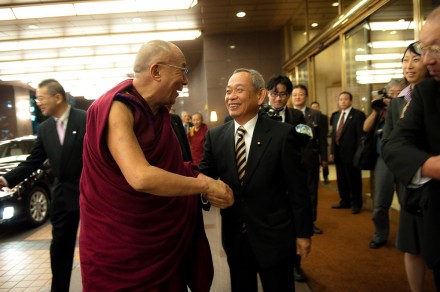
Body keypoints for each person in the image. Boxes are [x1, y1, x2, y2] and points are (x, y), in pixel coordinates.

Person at [79, 40, 234, 291]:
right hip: (120, 247)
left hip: (162, 245)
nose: (185, 81)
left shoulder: (161, 114)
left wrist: (196, 174)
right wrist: (203, 184)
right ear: (156, 71)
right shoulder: (116, 108)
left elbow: (172, 167)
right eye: (182, 71)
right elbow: (141, 177)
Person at [199, 68, 313, 292]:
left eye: (239, 90)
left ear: (260, 96)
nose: (231, 96)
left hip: (275, 238)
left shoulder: (282, 135)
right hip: (235, 238)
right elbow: (204, 176)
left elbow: (298, 189)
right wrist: (207, 192)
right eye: (228, 91)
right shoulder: (216, 137)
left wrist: (303, 233)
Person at [0, 79, 86, 292]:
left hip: (89, 197)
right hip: (63, 199)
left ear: (57, 97)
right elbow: (33, 160)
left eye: (40, 98)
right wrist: (6, 179)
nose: (38, 103)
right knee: (59, 251)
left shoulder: (85, 120)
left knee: (96, 249)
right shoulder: (45, 128)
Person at [383, 19, 440, 290]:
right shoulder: (423, 94)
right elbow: (393, 145)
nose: (427, 59)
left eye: (435, 49)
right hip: (418, 187)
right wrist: (429, 166)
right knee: (413, 245)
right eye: (425, 50)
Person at [363, 78, 406, 249]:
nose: (394, 97)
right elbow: (366, 128)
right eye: (391, 93)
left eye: (398, 93)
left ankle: (407, 237)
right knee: (380, 202)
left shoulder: (409, 107)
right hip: (384, 160)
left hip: (405, 160)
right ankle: (380, 234)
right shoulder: (381, 111)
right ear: (386, 94)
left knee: (407, 201)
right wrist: (375, 111)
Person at [292, 85, 328, 235]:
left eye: (301, 94)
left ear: (306, 96)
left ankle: (311, 222)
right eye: (295, 95)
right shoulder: (287, 114)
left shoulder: (316, 114)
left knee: (311, 191)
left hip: (310, 159)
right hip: (291, 160)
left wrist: (324, 158)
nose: (298, 97)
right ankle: (294, 222)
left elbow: (322, 138)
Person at [330, 91, 366, 214]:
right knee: (341, 179)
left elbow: (360, 136)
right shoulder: (336, 116)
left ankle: (356, 203)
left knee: (354, 180)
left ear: (350, 101)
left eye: (345, 99)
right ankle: (344, 201)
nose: (343, 101)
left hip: (352, 154)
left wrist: (358, 153)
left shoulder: (358, 115)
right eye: (341, 99)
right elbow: (334, 135)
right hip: (338, 154)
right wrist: (332, 151)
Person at [311, 101, 330, 184]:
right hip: (313, 143)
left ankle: (326, 176)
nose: (315, 108)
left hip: (322, 141)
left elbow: (325, 130)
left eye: (316, 106)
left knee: (324, 160)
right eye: (313, 107)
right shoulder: (309, 116)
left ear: (319, 107)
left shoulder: (323, 117)